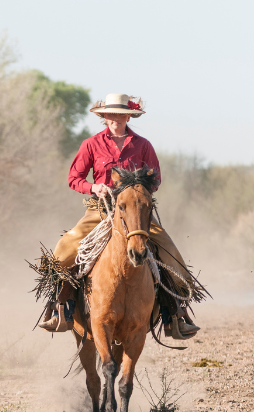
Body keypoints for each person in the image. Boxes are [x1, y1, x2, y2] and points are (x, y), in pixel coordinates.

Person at [38, 93, 201, 340]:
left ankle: (175, 315)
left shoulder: (143, 145)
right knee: (65, 248)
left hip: (135, 213)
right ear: (104, 117)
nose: (115, 118)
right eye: (111, 114)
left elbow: (155, 178)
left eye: (120, 114)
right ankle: (62, 308)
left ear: (128, 115)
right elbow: (74, 178)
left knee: (169, 251)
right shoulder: (91, 144)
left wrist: (138, 189)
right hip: (100, 209)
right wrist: (94, 187)